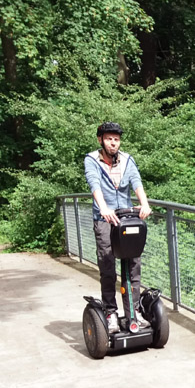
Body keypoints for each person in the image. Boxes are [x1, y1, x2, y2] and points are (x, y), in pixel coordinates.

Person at [84, 122, 152, 334]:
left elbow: (136, 182)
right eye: (109, 139)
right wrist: (103, 207)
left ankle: (134, 311)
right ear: (100, 140)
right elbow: (94, 183)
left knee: (133, 264)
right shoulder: (91, 159)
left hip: (125, 217)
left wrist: (145, 203)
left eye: (116, 139)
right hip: (105, 218)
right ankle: (110, 312)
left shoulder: (127, 159)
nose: (113, 143)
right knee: (107, 265)